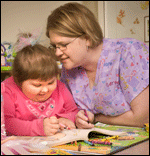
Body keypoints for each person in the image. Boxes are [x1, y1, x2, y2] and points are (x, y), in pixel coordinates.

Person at [46, 2, 149, 128]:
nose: (57, 52)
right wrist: (78, 118)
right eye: (54, 46)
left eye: (63, 45)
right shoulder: (69, 69)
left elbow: (143, 118)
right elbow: (68, 112)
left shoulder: (130, 52)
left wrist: (96, 118)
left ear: (87, 38)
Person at [2, 32, 79, 136]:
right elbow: (6, 123)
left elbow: (74, 111)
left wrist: (64, 119)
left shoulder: (60, 87)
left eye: (51, 82)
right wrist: (39, 128)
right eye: (37, 85)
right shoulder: (7, 88)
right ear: (19, 81)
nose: (45, 90)